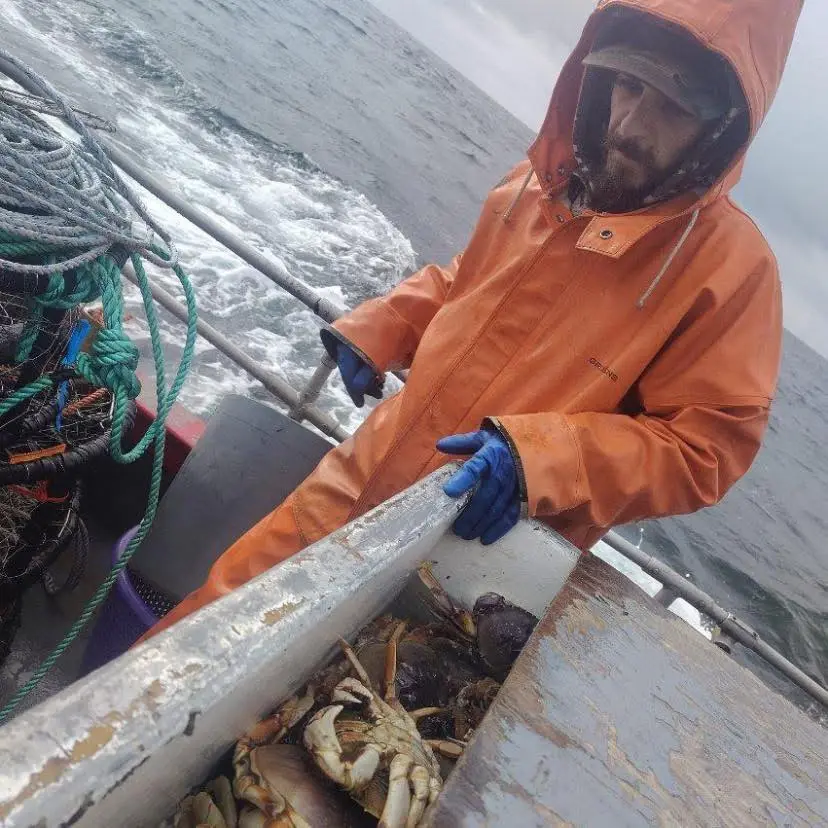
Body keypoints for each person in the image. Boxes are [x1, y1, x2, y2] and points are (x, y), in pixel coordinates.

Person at [144, 0, 802, 639]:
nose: (631, 122)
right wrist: (382, 326)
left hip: (468, 558)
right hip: (359, 477)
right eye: (629, 85)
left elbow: (704, 452)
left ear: (719, 127)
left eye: (672, 108)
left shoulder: (734, 273)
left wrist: (539, 461)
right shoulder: (542, 179)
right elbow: (469, 281)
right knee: (200, 634)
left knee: (340, 726)